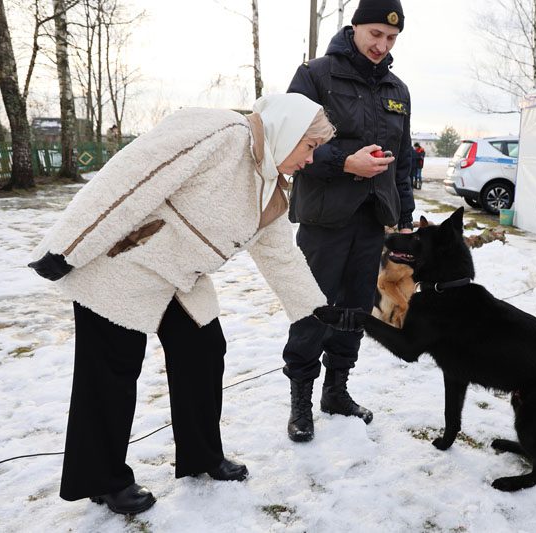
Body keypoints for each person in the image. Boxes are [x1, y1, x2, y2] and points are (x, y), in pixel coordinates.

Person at [28, 94, 334, 515]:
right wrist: (68, 247)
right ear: (289, 131)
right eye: (311, 146)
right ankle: (101, 479)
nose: (311, 159)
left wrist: (314, 311)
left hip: (179, 276)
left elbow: (281, 255)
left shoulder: (271, 186)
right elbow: (130, 179)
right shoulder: (219, 132)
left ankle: (202, 455)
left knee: (204, 352)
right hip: (123, 261)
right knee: (111, 371)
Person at [282, 0, 415, 442]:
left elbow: (403, 162)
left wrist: (405, 217)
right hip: (324, 217)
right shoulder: (316, 75)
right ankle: (301, 400)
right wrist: (345, 163)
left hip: (372, 217)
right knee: (313, 306)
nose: (382, 44)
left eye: (391, 38)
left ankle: (336, 391)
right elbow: (289, 143)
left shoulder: (397, 89)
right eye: (375, 34)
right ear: (355, 27)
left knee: (357, 307)